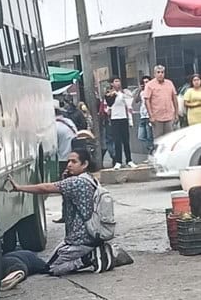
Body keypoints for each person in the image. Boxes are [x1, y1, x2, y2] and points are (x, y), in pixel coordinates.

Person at [7, 148, 113, 276]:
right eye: (68, 161)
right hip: (91, 235)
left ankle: (90, 258)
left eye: (74, 161)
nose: (69, 164)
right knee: (50, 262)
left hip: (79, 240)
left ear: (84, 164)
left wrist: (19, 188)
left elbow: (45, 188)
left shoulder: (76, 182)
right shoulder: (91, 180)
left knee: (52, 268)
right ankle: (95, 253)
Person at [53, 105, 78, 223]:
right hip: (75, 159)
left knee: (65, 190)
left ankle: (66, 215)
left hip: (64, 160)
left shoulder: (55, 127)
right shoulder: (69, 122)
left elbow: (53, 147)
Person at [104, 77, 136, 169]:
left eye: (119, 81)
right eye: (115, 81)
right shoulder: (109, 94)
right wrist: (114, 95)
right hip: (115, 119)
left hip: (124, 118)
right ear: (112, 84)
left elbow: (129, 104)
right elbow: (109, 105)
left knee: (126, 141)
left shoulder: (124, 93)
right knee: (117, 141)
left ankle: (129, 160)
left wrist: (130, 120)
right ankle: (118, 161)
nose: (118, 83)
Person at [143, 65, 178, 139]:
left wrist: (176, 114)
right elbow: (147, 101)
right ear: (154, 74)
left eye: (162, 72)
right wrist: (151, 116)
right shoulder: (150, 85)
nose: (160, 74)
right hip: (157, 117)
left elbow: (174, 98)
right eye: (158, 72)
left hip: (169, 116)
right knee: (159, 141)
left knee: (170, 139)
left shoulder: (169, 83)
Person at [133, 76, 154, 155]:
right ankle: (151, 149)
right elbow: (136, 100)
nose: (145, 84)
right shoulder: (141, 92)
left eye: (147, 82)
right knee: (141, 136)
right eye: (144, 82)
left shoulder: (152, 91)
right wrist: (139, 89)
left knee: (149, 136)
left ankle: (151, 153)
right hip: (142, 116)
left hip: (149, 116)